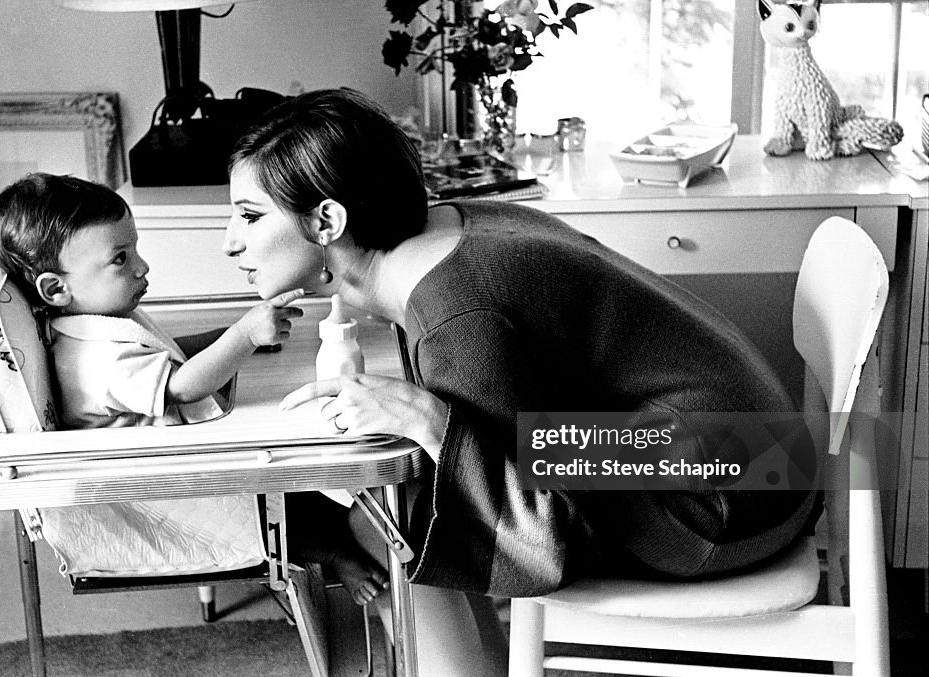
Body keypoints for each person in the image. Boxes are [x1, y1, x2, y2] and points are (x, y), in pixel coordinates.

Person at [223, 88, 821, 675]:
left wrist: (431, 424)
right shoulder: (457, 223)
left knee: (387, 518)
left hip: (721, 503)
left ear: (328, 219)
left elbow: (544, 536)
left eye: (249, 217)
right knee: (405, 500)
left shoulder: (458, 314)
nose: (231, 242)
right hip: (764, 452)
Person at [0, 173, 387, 603]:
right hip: (158, 495)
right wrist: (244, 337)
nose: (142, 265)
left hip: (171, 465)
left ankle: (345, 535)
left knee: (305, 493)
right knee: (289, 504)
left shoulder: (96, 323)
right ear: (56, 288)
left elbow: (166, 354)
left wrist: (226, 335)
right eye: (120, 258)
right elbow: (181, 386)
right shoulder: (96, 360)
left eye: (134, 248)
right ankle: (335, 552)